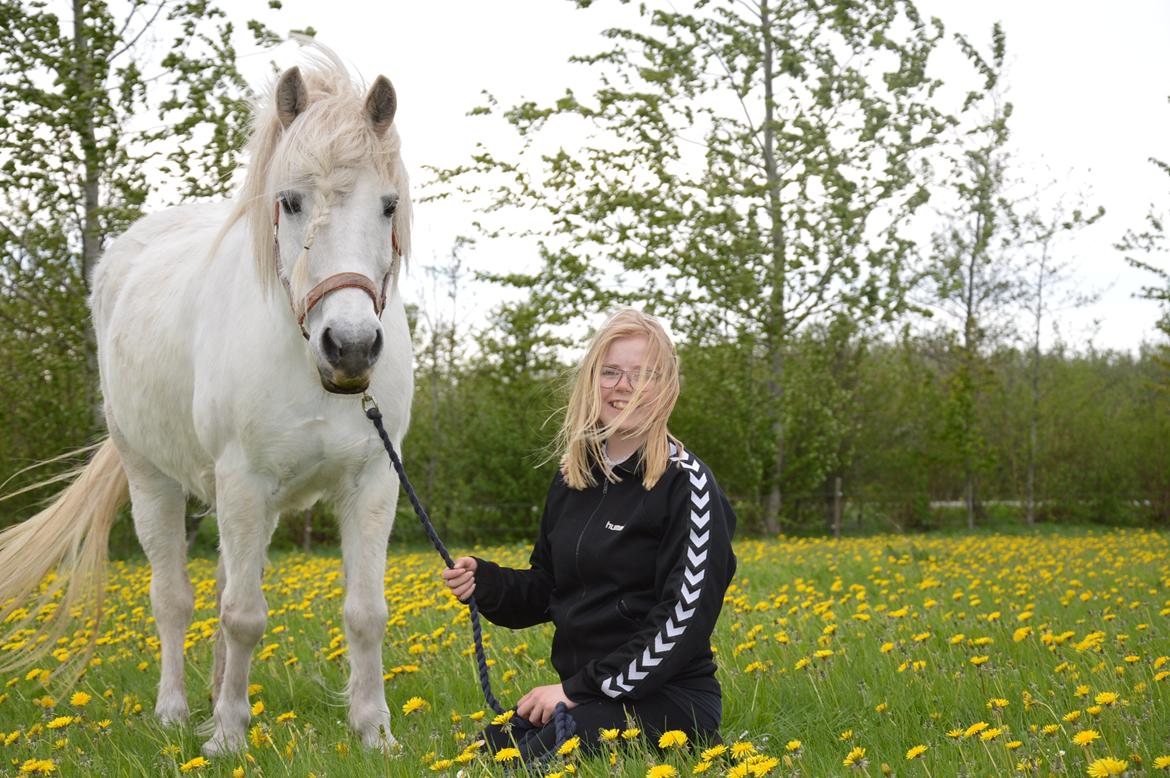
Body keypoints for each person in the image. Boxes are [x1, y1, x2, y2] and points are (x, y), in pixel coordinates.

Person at [441, 308, 737, 759]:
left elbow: (683, 621)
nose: (624, 386)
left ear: (667, 387)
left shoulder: (687, 484)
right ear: (591, 380)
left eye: (643, 375)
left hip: (668, 700)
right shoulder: (573, 478)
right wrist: (488, 582)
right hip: (585, 696)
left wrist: (576, 689)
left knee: (540, 762)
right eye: (611, 372)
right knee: (482, 756)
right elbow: (548, 588)